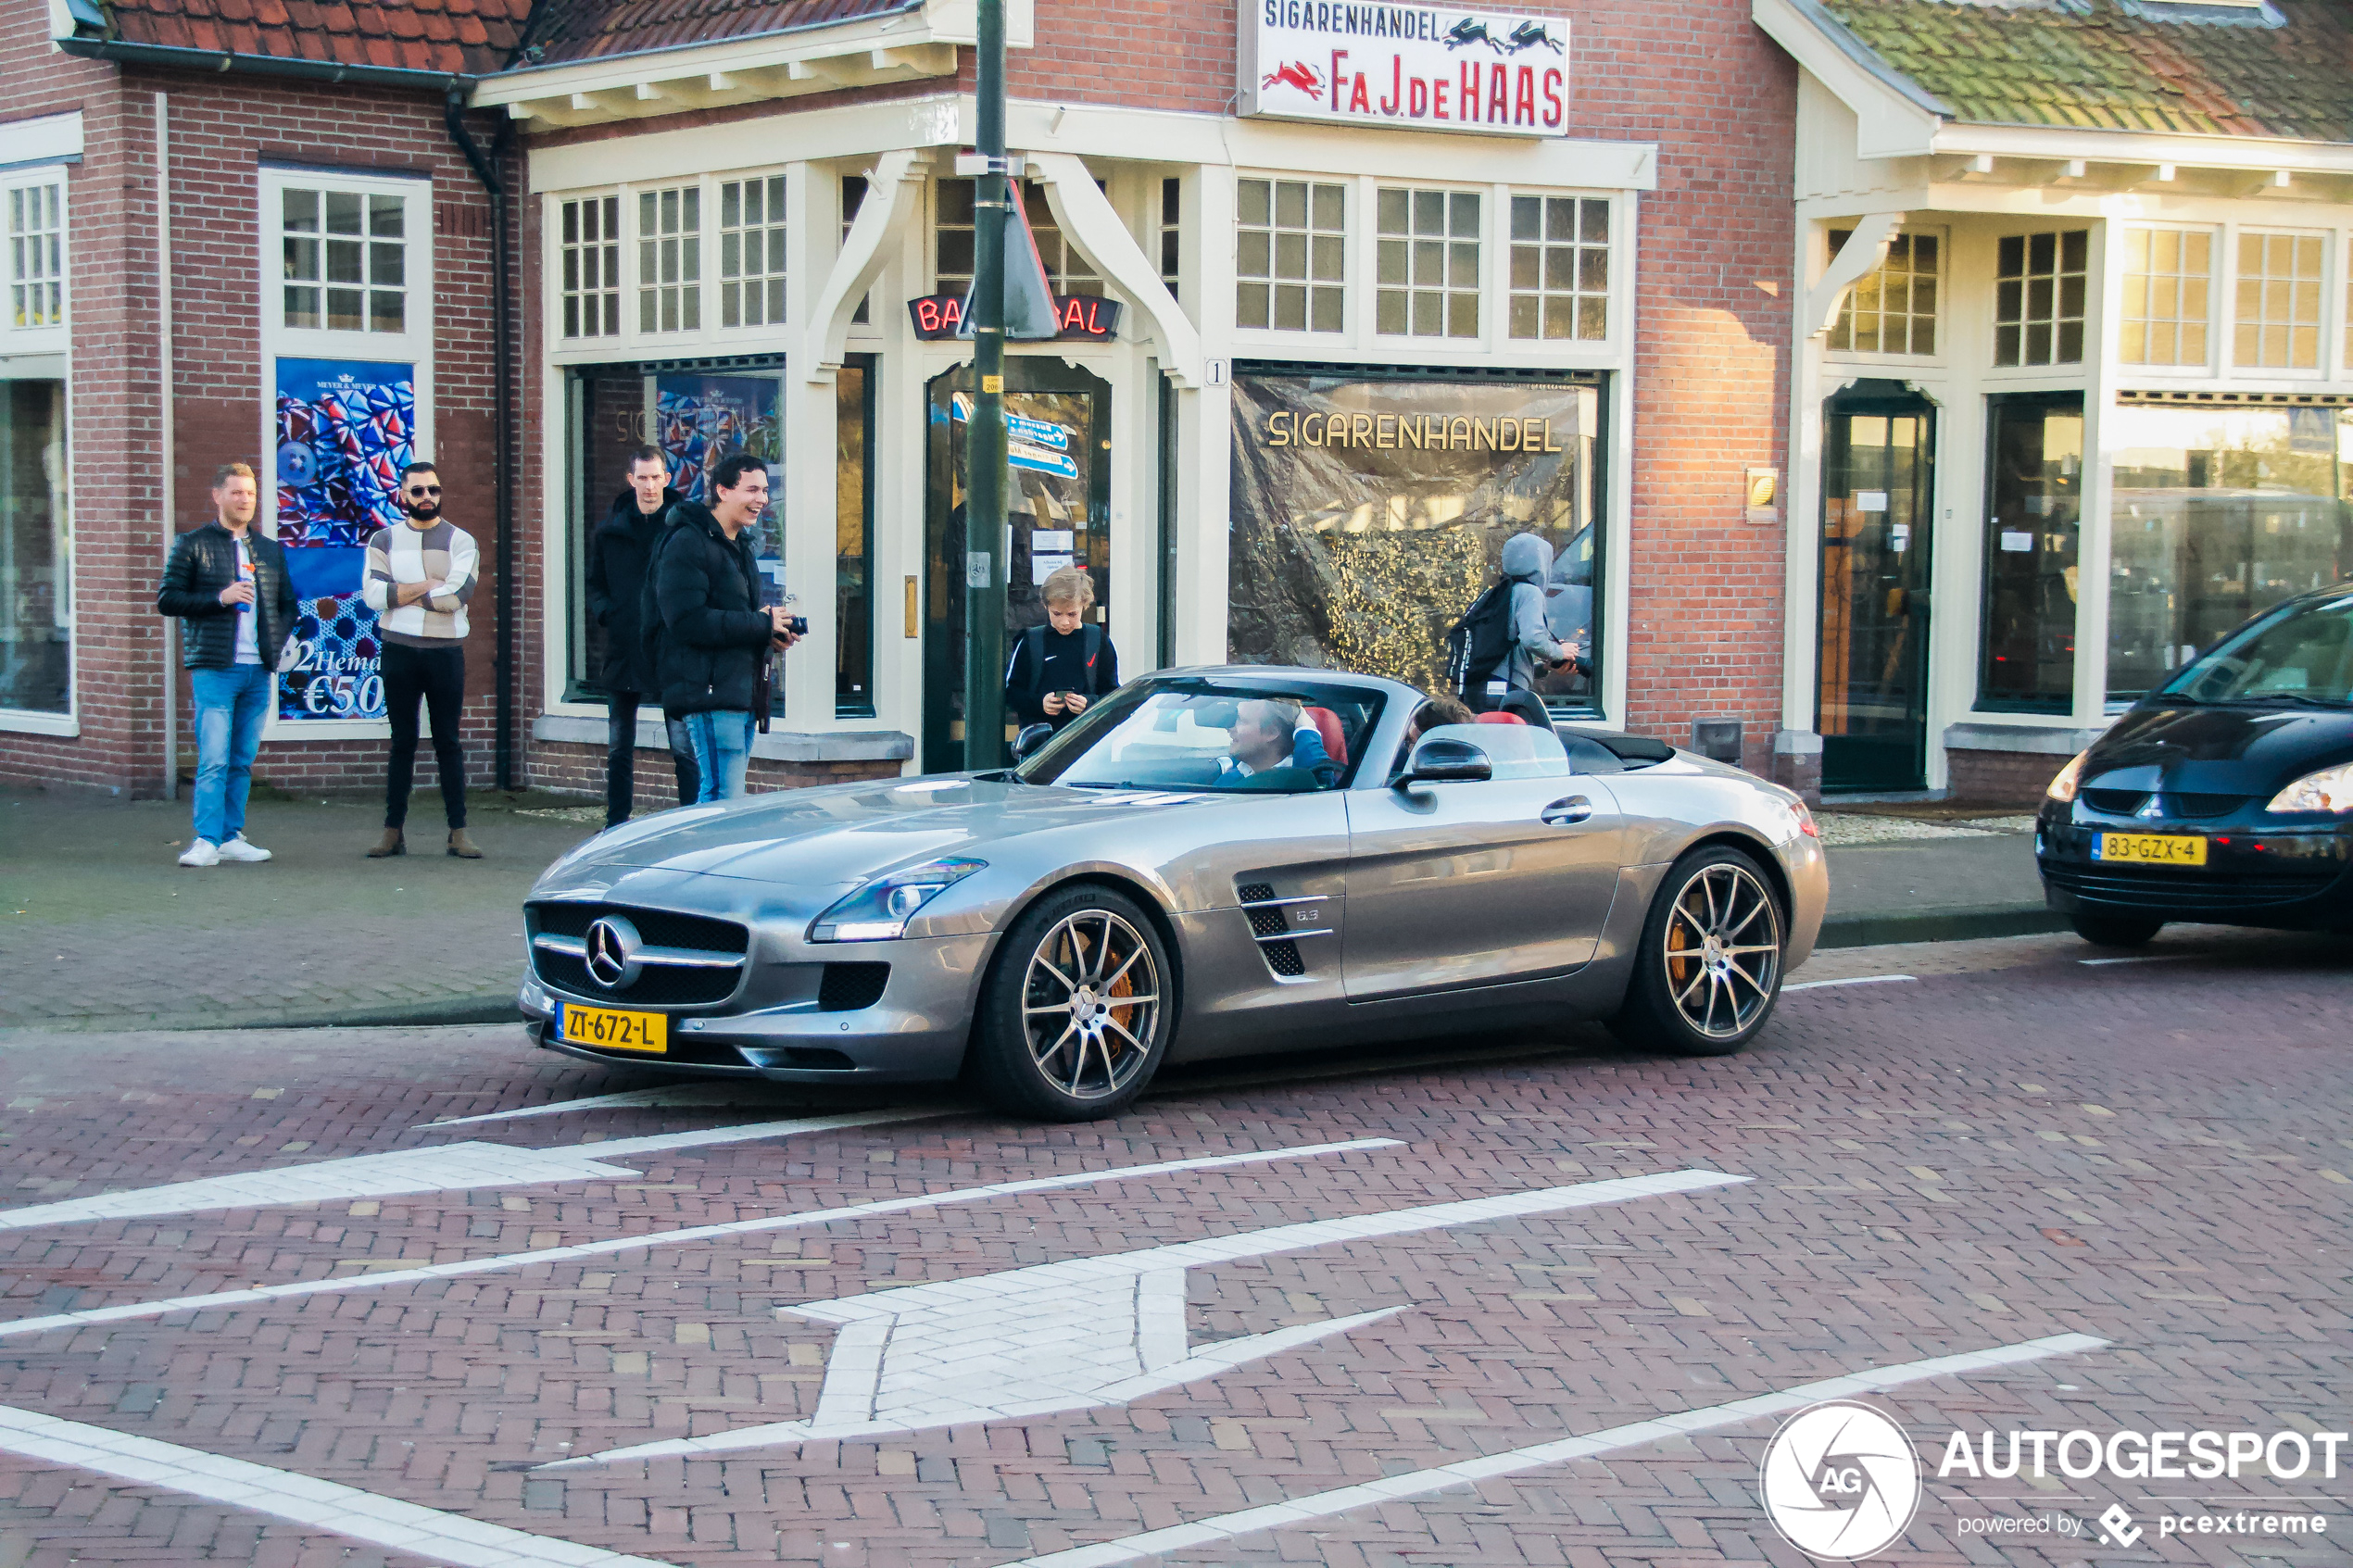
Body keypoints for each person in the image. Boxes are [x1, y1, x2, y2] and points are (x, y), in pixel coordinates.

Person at [156, 461, 300, 868]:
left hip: (259, 670)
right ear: (217, 496)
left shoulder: (269, 549)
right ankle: (205, 839)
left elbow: (288, 604)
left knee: (241, 759)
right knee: (214, 758)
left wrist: (276, 639)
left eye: (251, 493)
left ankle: (231, 835)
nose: (245, 500)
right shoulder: (192, 544)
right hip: (216, 667)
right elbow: (168, 599)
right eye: (236, 492)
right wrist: (220, 598)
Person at [653, 451, 799, 802]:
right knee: (721, 797)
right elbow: (687, 622)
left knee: (726, 798)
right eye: (752, 489)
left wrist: (770, 632)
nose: (761, 499)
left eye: (765, 490)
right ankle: (699, 857)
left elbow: (733, 617)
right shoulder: (687, 543)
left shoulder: (739, 545)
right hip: (708, 691)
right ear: (722, 490)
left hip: (737, 692)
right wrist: (760, 623)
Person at [361, 460, 482, 859]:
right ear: (402, 495)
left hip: (445, 652)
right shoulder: (383, 540)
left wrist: (404, 591)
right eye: (417, 491)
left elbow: (456, 598)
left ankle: (459, 832)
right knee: (403, 742)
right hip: (398, 650)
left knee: (448, 741)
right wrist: (428, 586)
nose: (426, 497)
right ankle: (392, 832)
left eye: (433, 489)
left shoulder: (461, 541)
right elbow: (373, 597)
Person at [585, 445, 698, 826]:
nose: (650, 486)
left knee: (683, 747)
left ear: (667, 479)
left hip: (671, 649)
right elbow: (595, 584)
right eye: (643, 478)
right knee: (619, 746)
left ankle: (691, 823)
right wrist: (608, 615)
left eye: (657, 478)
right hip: (623, 647)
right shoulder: (609, 533)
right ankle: (616, 823)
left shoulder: (685, 530)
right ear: (630, 480)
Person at [1004, 566, 1119, 733]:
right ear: (1046, 607)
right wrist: (1040, 703)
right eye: (1057, 614)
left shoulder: (1098, 640)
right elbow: (1011, 692)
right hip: (1040, 741)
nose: (1064, 622)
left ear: (1084, 606)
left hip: (1086, 737)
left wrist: (1089, 703)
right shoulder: (1031, 640)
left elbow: (1113, 693)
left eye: (1072, 614)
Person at [1491, 532, 1572, 709]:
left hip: (1481, 690)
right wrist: (1559, 652)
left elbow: (1503, 659)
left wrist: (1543, 668)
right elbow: (1532, 639)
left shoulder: (1499, 593)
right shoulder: (1529, 592)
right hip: (1507, 693)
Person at [1213, 698, 1339, 790]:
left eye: (1241, 720)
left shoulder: (1301, 784)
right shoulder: (1235, 775)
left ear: (1271, 732)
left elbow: (1320, 778)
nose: (1229, 728)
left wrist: (1305, 732)